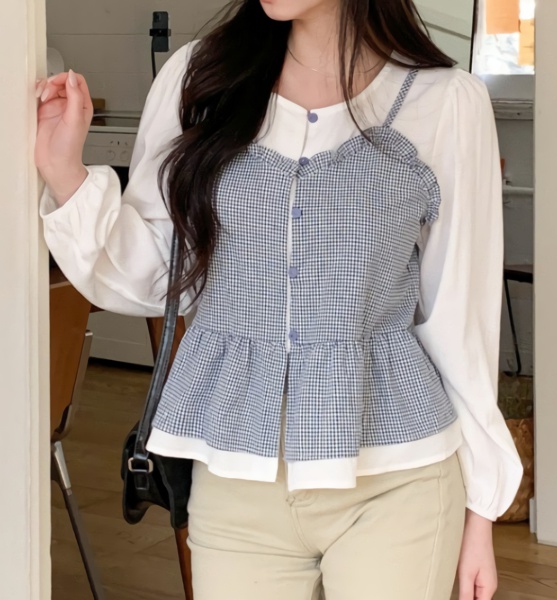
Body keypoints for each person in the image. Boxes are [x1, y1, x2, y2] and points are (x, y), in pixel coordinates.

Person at [35, 0, 523, 598]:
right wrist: (64, 171)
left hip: (399, 476)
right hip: (234, 479)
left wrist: (481, 511)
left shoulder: (446, 101)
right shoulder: (199, 79)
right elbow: (156, 275)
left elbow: (461, 322)